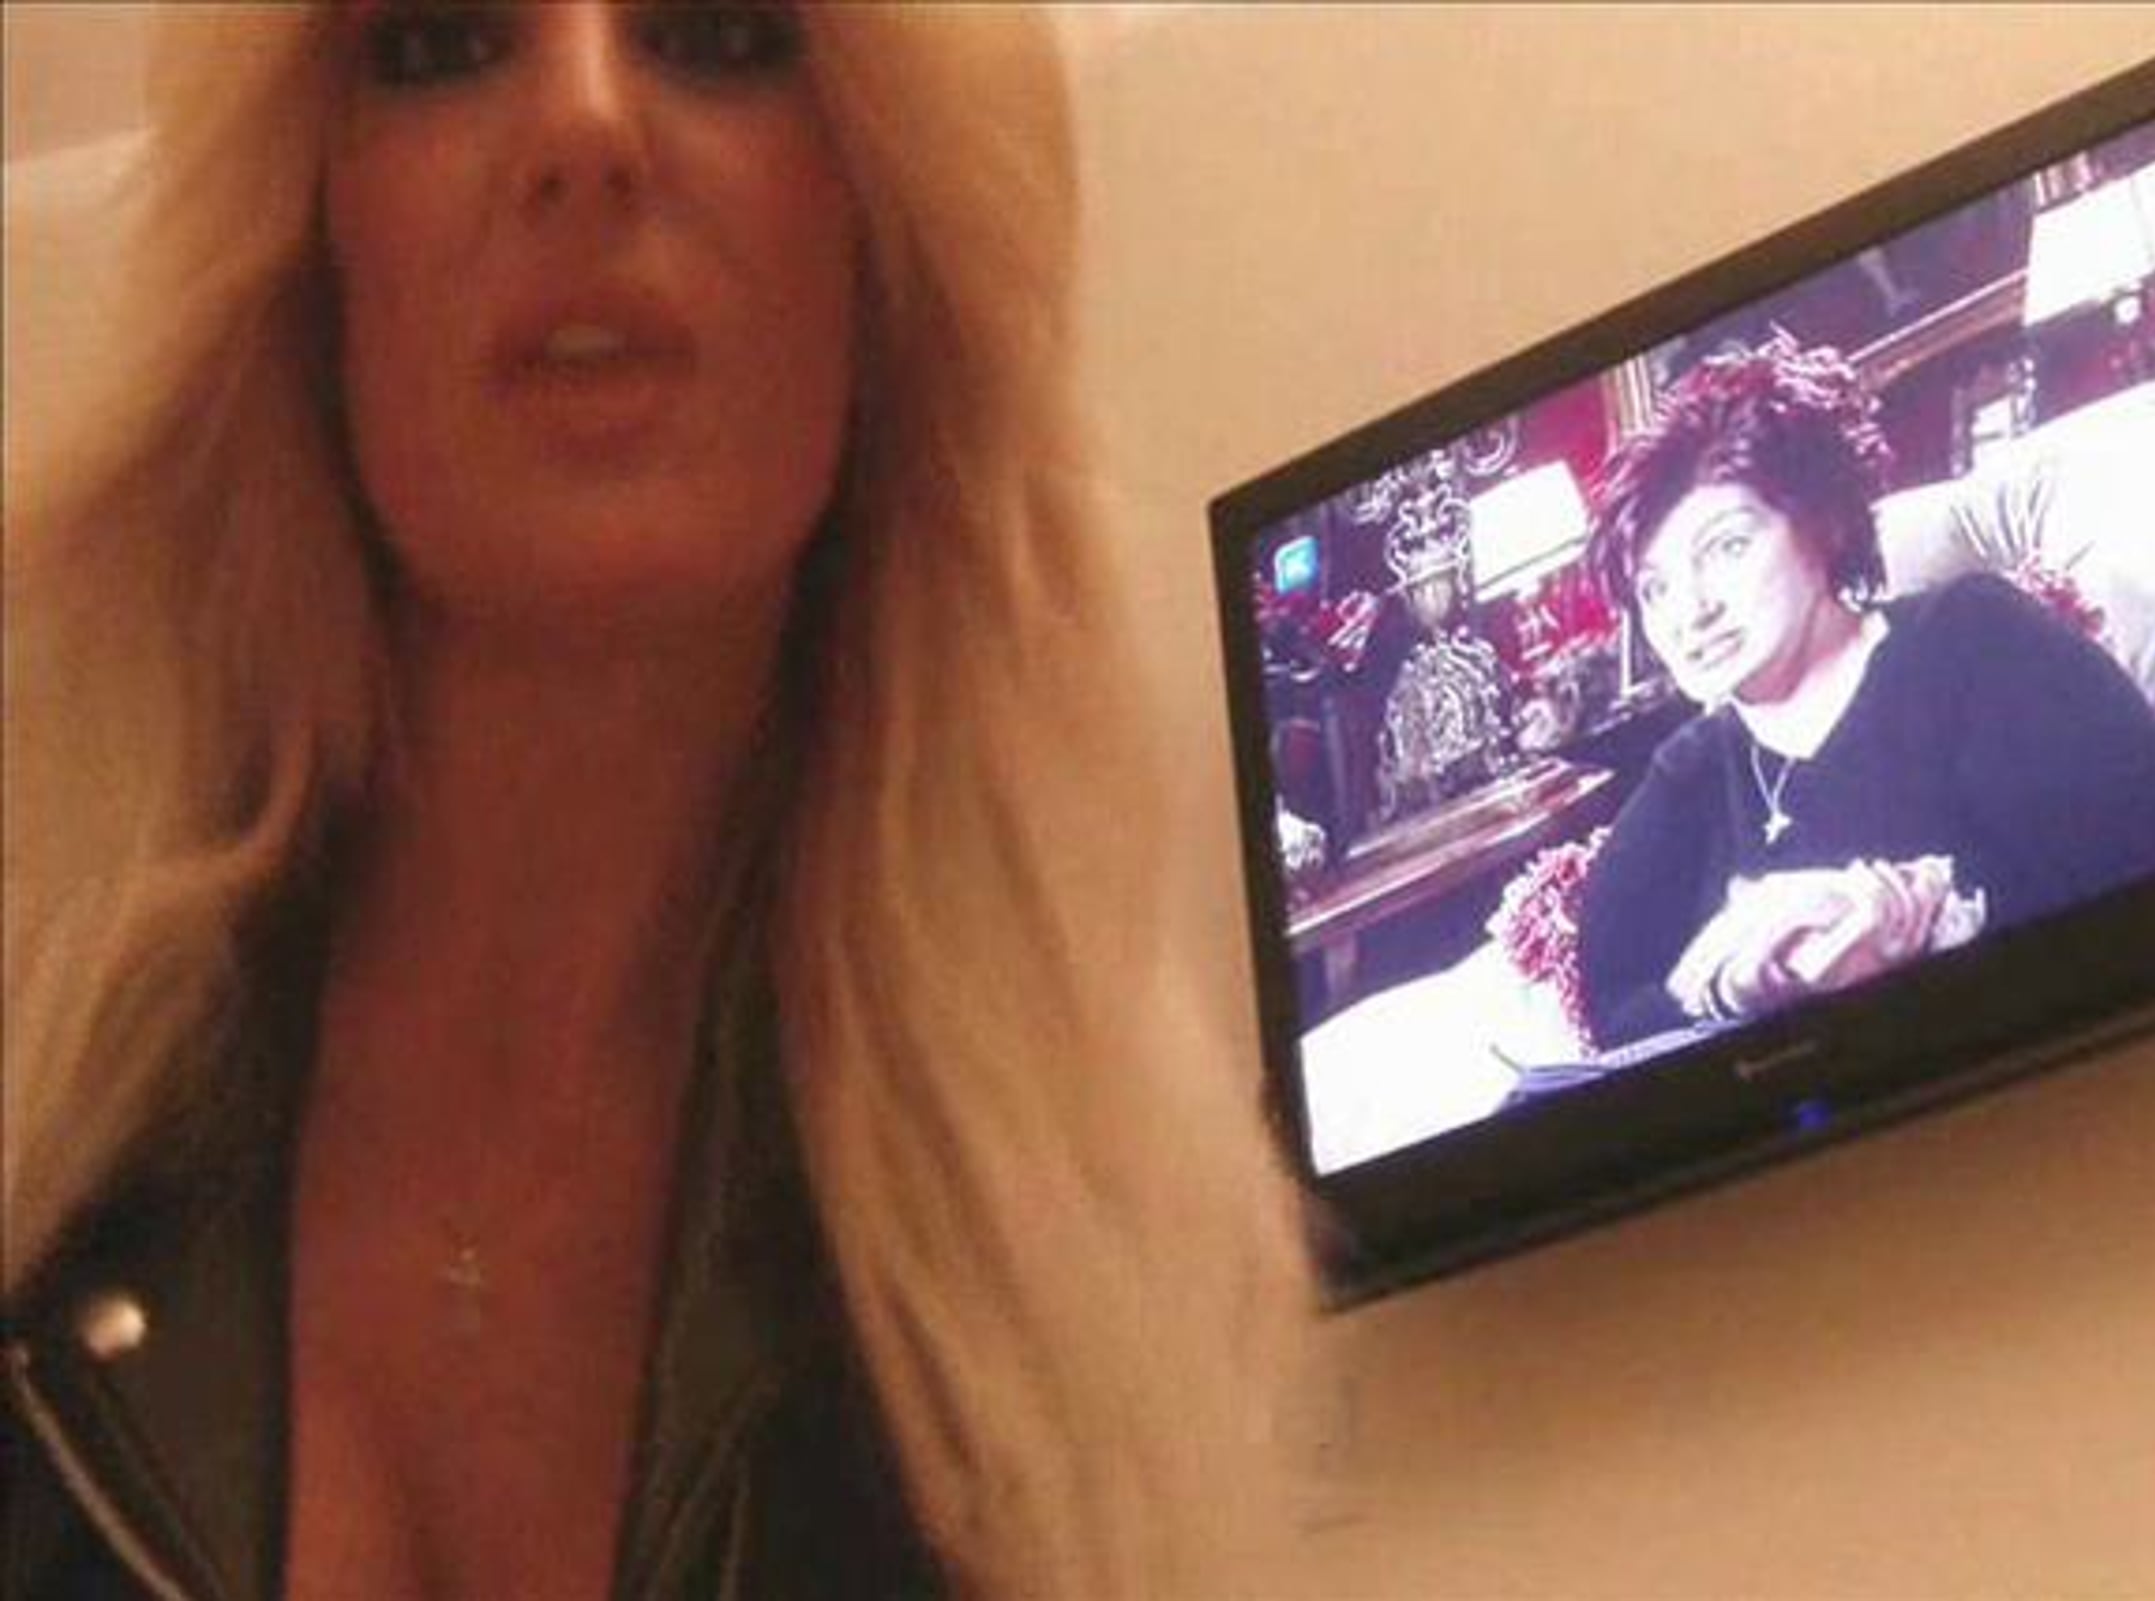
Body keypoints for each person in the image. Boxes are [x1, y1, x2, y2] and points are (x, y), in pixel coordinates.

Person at [3, 6, 1312, 1597]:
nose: (584, 125)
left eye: (718, 33)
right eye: (440, 46)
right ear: (317, 259)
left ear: (880, 243)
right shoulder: (42, 1102)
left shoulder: (1067, 1319)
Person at [1573, 335, 2155, 1047]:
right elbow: (1613, 1018)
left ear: (1823, 525)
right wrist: (1740, 992)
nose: (1691, 611)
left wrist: (1921, 939)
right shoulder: (1688, 774)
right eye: (1656, 588)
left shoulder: (1977, 642)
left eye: (1727, 547)